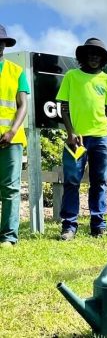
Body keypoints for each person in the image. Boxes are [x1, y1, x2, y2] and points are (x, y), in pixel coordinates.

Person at [56, 38, 107, 240]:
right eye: (90, 53)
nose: (94, 56)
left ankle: (98, 225)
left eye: (98, 54)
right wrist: (71, 132)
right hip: (76, 139)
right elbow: (63, 107)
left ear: (103, 58)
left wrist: (99, 127)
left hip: (102, 139)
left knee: (100, 181)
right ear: (83, 56)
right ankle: (69, 226)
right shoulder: (72, 76)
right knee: (72, 181)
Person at [0, 25, 29, 247]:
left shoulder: (16, 71)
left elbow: (22, 105)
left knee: (11, 189)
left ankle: (8, 237)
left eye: (2, 41)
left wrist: (11, 131)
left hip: (11, 139)